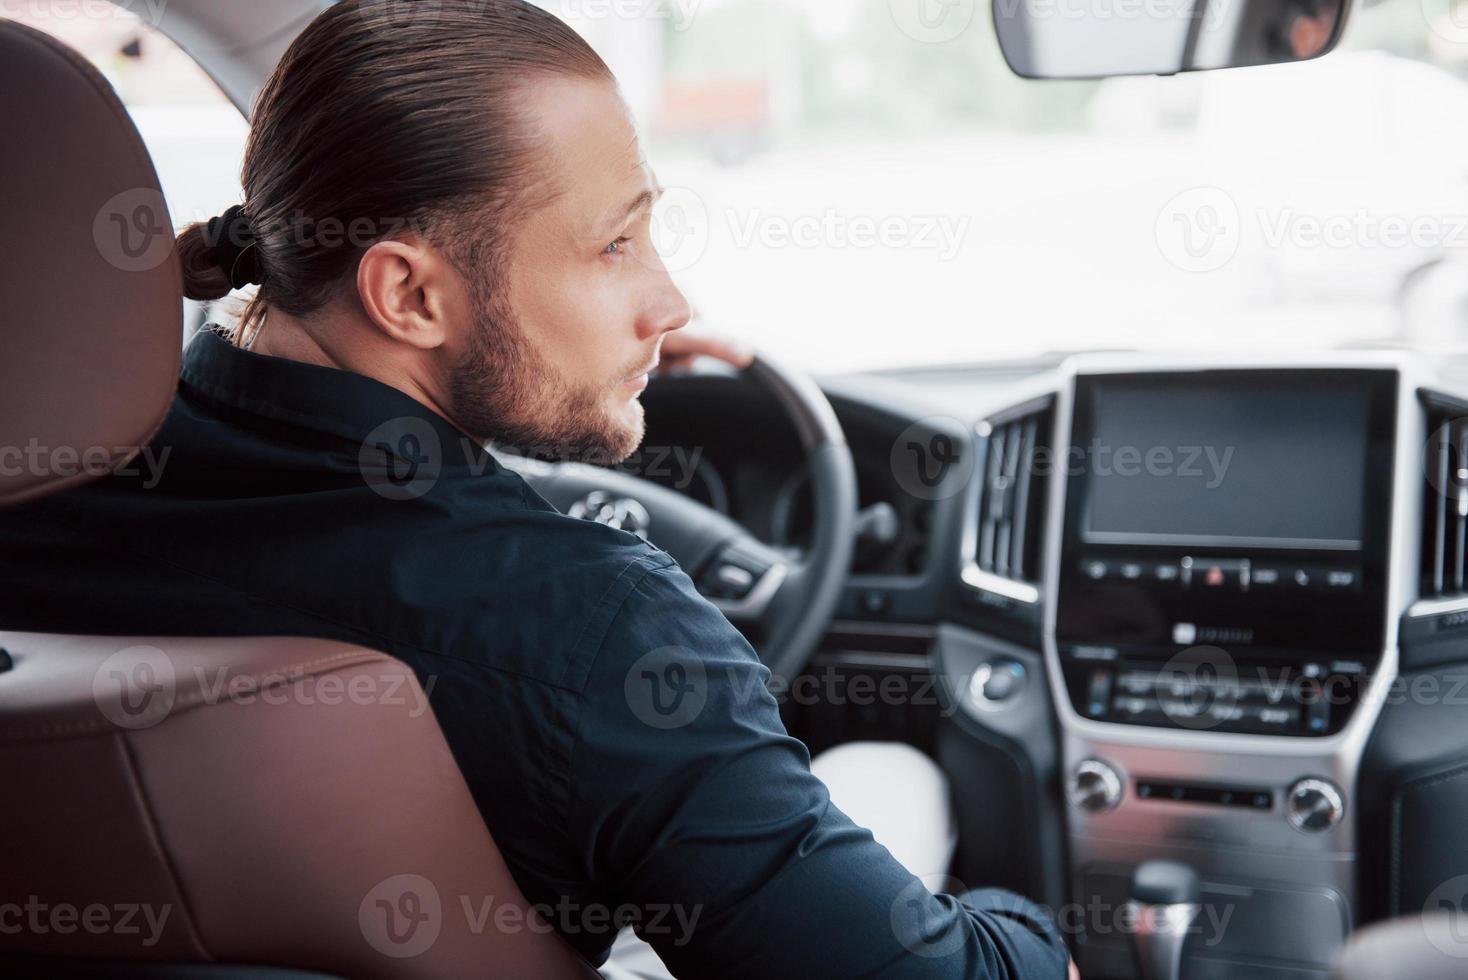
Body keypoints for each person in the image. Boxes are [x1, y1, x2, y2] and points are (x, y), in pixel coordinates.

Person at [0, 1, 1075, 977]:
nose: (670, 297)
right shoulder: (598, 629)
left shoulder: (42, 501)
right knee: (894, 764)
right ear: (409, 293)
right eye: (613, 244)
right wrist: (1033, 933)